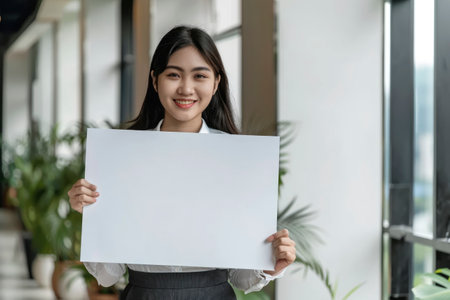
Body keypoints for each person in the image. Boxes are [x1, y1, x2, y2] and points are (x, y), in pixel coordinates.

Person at [68, 26, 296, 299]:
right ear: (155, 80)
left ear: (215, 83)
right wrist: (91, 216)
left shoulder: (238, 161)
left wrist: (271, 265)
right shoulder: (121, 158)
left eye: (199, 75)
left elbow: (241, 278)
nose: (186, 88)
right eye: (173, 75)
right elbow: (109, 276)